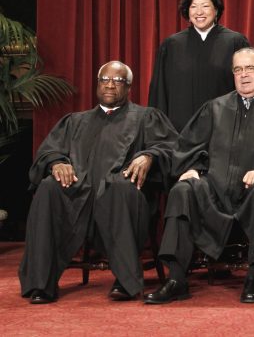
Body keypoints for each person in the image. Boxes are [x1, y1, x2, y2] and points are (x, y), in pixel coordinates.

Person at [145, 47, 254, 305]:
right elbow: (186, 146)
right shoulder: (214, 108)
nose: (244, 75)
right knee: (183, 189)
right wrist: (192, 168)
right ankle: (176, 279)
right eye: (238, 70)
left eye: (250, 69)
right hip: (214, 191)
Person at [19, 61, 178, 304]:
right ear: (98, 84)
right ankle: (41, 283)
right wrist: (56, 162)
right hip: (77, 193)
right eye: (105, 80)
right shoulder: (74, 121)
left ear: (129, 87)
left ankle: (125, 281)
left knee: (123, 189)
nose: (110, 85)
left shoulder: (146, 117)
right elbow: (47, 153)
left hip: (119, 193)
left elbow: (172, 149)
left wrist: (149, 155)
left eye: (118, 81)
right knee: (49, 187)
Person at [149, 0, 250, 131]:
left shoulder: (235, 42)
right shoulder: (171, 45)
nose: (199, 12)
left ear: (216, 10)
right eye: (193, 6)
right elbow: (160, 92)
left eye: (205, 6)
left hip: (224, 128)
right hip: (180, 131)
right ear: (187, 11)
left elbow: (247, 85)